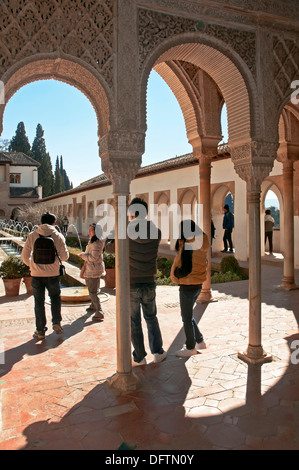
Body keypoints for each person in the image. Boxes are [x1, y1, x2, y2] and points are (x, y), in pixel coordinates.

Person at [105, 197, 167, 365]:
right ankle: (158, 351)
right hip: (149, 281)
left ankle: (139, 357)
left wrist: (113, 230)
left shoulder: (124, 232)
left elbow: (109, 248)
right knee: (151, 317)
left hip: (131, 283)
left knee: (134, 321)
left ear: (131, 214)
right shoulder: (157, 232)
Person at [21, 212, 69, 340]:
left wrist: (31, 265)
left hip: (36, 274)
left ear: (41, 222)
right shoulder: (58, 236)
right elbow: (65, 257)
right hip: (53, 273)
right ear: (54, 223)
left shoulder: (32, 235)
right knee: (55, 297)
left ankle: (40, 330)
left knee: (38, 302)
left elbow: (24, 256)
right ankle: (56, 322)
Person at [171, 220, 209, 357]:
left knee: (186, 318)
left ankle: (190, 347)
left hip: (187, 285)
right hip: (197, 284)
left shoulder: (189, 245)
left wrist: (176, 274)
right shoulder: (200, 242)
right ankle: (200, 341)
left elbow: (186, 268)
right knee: (188, 315)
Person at [78, 223, 105, 321]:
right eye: (89, 230)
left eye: (91, 230)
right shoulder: (92, 241)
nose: (89, 232)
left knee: (93, 291)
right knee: (91, 289)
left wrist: (83, 256)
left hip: (94, 269)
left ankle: (99, 311)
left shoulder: (96, 243)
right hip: (91, 269)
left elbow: (94, 258)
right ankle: (93, 306)